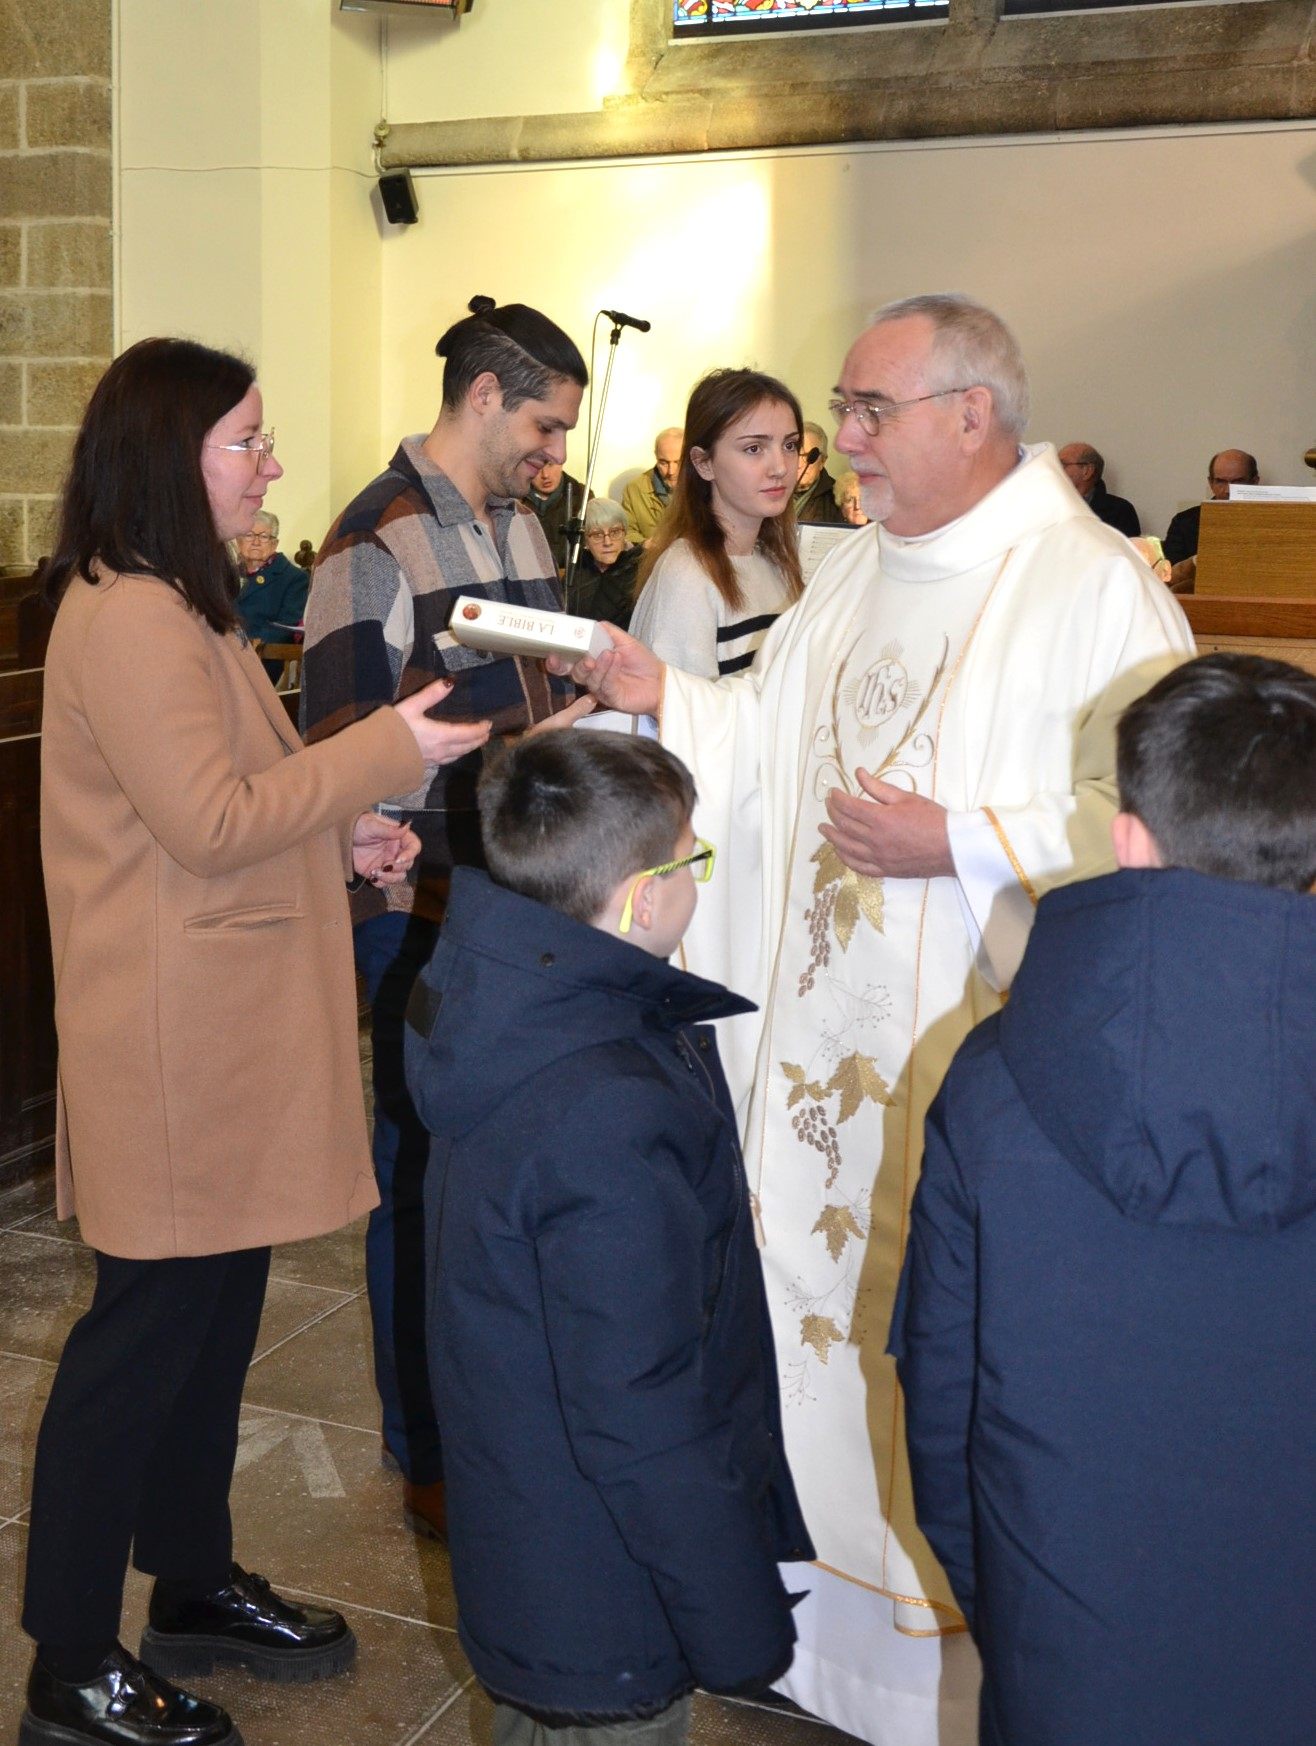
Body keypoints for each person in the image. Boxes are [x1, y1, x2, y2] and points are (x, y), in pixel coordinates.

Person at [551, 293, 1194, 1746]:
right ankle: (808, 1644)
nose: (839, 443)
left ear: (973, 414)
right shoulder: (847, 578)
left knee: (937, 1346)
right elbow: (761, 741)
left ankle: (933, 1677)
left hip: (967, 1072)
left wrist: (959, 842)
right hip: (814, 1081)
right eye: (839, 412)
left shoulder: (1090, 589)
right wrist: (664, 696)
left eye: (866, 412)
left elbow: (1158, 819)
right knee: (801, 1329)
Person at [22, 336, 489, 1746]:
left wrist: (340, 835)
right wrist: (387, 752)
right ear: (173, 456)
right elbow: (211, 822)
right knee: (139, 1345)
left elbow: (215, 807)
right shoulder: (127, 614)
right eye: (248, 440)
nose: (271, 463)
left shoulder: (184, 600)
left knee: (214, 1325)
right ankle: (69, 1663)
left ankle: (191, 1579)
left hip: (215, 1019)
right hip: (171, 1041)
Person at [891, 650, 1316, 1746]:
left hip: (1073, 1653)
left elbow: (941, 1404)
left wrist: (1019, 1614)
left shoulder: (995, 1081)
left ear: (1126, 838)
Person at [403, 730, 814, 1746]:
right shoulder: (607, 1111)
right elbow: (640, 1406)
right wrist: (736, 1621)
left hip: (535, 1544)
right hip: (607, 1598)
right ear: (639, 901)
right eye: (689, 858)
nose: (697, 878)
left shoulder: (510, 1009)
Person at [300, 295, 590, 1541]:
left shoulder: (520, 521)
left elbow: (531, 691)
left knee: (498, 1171)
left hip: (518, 885)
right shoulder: (374, 536)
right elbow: (337, 738)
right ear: (482, 397)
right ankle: (422, 1449)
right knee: (417, 1172)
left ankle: (496, 1422)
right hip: (411, 897)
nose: (554, 452)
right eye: (542, 425)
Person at [629, 369, 804, 679]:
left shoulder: (775, 558)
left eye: (790, 446)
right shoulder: (687, 573)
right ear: (703, 463)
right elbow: (682, 704)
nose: (780, 467)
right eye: (754, 448)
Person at [1162, 447, 1259, 589]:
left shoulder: (1273, 522)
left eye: (1238, 482)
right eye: (1220, 481)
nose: (1228, 490)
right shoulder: (1184, 522)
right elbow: (1168, 577)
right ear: (1211, 483)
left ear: (1254, 481)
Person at [234, 508, 311, 677]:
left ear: (274, 544)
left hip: (264, 660)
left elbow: (285, 626)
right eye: (249, 535)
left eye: (263, 536)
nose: (256, 542)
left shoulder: (294, 578)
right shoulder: (225, 574)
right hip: (224, 655)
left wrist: (245, 646)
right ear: (239, 541)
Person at [564, 495, 640, 629]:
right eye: (597, 535)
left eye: (615, 532)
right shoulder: (576, 571)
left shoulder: (638, 568)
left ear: (625, 533)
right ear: (585, 540)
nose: (608, 542)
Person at [1057, 441, 1140, 536]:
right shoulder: (1046, 505)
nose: (1055, 469)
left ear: (1087, 471)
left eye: (1063, 464)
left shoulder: (1120, 511)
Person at [621, 425, 682, 546]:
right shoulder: (634, 489)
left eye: (678, 462)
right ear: (656, 455)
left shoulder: (706, 485)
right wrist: (644, 545)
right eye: (664, 462)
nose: (671, 471)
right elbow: (626, 532)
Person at [526, 454, 586, 573]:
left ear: (561, 462)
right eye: (537, 466)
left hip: (570, 578)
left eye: (550, 465)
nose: (545, 475)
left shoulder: (582, 498)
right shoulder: (512, 500)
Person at [794, 421, 845, 525]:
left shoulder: (839, 496)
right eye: (795, 454)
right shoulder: (771, 489)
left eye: (808, 456)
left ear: (822, 461)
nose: (799, 464)